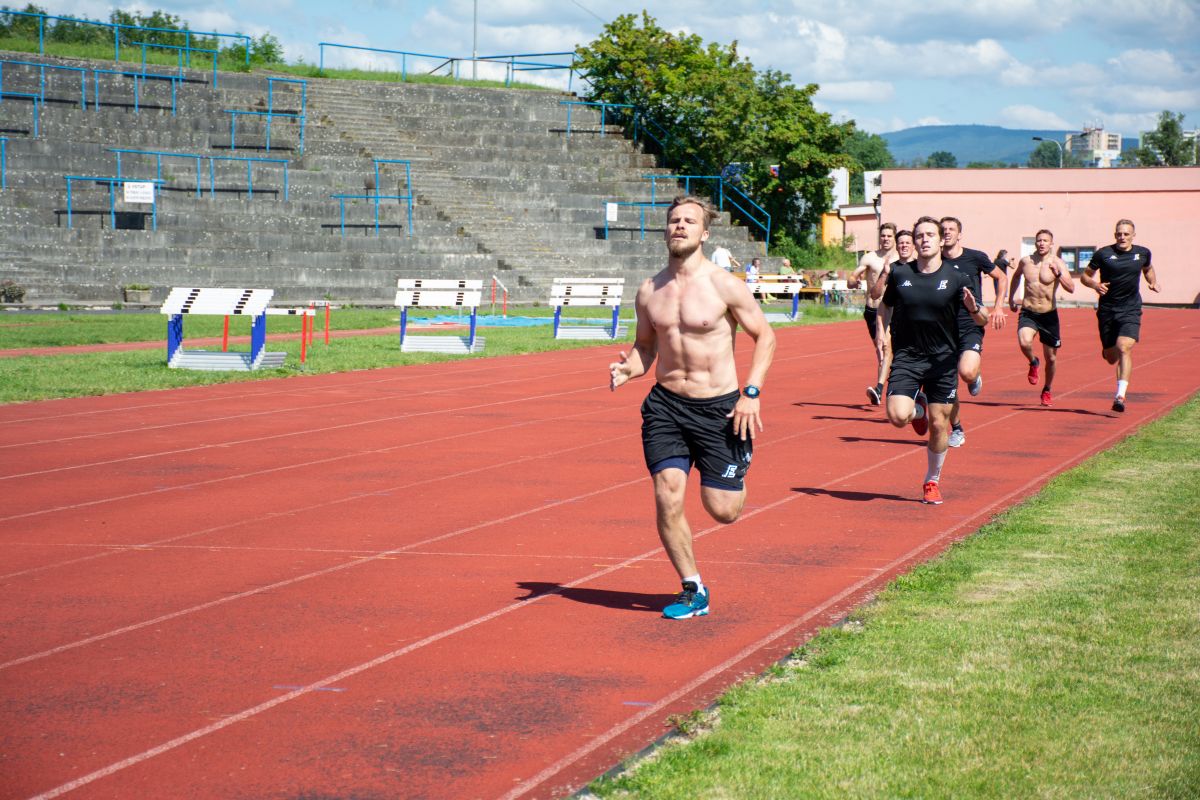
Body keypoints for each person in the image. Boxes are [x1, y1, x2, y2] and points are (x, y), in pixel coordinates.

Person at [609, 195, 776, 619]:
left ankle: (733, 471)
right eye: (674, 220)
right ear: (666, 230)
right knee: (667, 494)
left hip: (720, 409)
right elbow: (645, 348)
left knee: (724, 511)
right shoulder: (649, 291)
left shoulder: (724, 285)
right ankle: (692, 587)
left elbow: (765, 336)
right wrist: (629, 369)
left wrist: (751, 393)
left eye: (689, 221)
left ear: (704, 233)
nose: (680, 226)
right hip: (666, 407)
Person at [879, 216, 988, 504]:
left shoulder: (956, 277)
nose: (924, 239)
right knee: (897, 416)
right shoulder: (900, 274)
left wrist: (974, 309)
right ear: (914, 243)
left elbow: (982, 318)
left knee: (940, 425)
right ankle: (919, 411)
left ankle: (932, 479)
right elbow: (885, 305)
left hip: (943, 359)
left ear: (941, 240)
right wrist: (882, 332)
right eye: (920, 236)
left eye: (930, 234)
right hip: (908, 357)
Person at [940, 216, 1008, 447]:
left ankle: (974, 374)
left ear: (959, 234)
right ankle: (957, 429)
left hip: (971, 324)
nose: (947, 232)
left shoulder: (975, 257)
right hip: (942, 330)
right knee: (947, 385)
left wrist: (998, 306)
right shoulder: (934, 261)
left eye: (951, 229)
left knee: (967, 373)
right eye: (943, 229)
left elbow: (1001, 277)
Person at [1078, 219, 1160, 412]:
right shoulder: (1104, 254)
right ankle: (1108, 349)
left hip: (1130, 308)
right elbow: (1085, 276)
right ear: (1115, 235)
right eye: (1119, 234)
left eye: (1126, 234)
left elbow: (1148, 268)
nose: (1122, 237)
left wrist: (1152, 282)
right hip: (1107, 310)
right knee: (1111, 357)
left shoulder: (1142, 253)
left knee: (1124, 347)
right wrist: (1095, 285)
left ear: (1133, 235)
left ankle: (1120, 396)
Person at [1008, 230, 1075, 406]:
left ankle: (1047, 389)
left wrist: (1058, 274)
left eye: (1045, 241)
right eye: (1039, 240)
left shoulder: (1058, 263)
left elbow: (1071, 288)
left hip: (1048, 315)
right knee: (1024, 342)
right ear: (1035, 243)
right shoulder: (1026, 261)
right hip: (1029, 312)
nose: (1042, 243)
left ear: (1051, 243)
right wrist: (1011, 298)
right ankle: (1033, 361)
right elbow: (1016, 276)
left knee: (1051, 358)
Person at [849, 223, 897, 405]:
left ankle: (880, 388)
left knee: (886, 347)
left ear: (894, 237)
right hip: (873, 310)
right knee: (880, 351)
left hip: (892, 310)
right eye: (883, 235)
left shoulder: (901, 258)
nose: (886, 239)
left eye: (889, 236)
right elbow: (852, 277)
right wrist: (853, 281)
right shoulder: (869, 258)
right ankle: (884, 386)